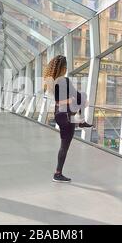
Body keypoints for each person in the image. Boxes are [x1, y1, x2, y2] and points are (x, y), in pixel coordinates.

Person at [43, 55, 93, 183]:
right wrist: (80, 101)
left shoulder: (51, 81)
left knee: (63, 145)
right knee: (64, 147)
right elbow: (76, 95)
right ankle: (57, 174)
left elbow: (59, 100)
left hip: (58, 113)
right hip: (66, 115)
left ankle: (81, 121)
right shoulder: (64, 80)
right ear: (64, 68)